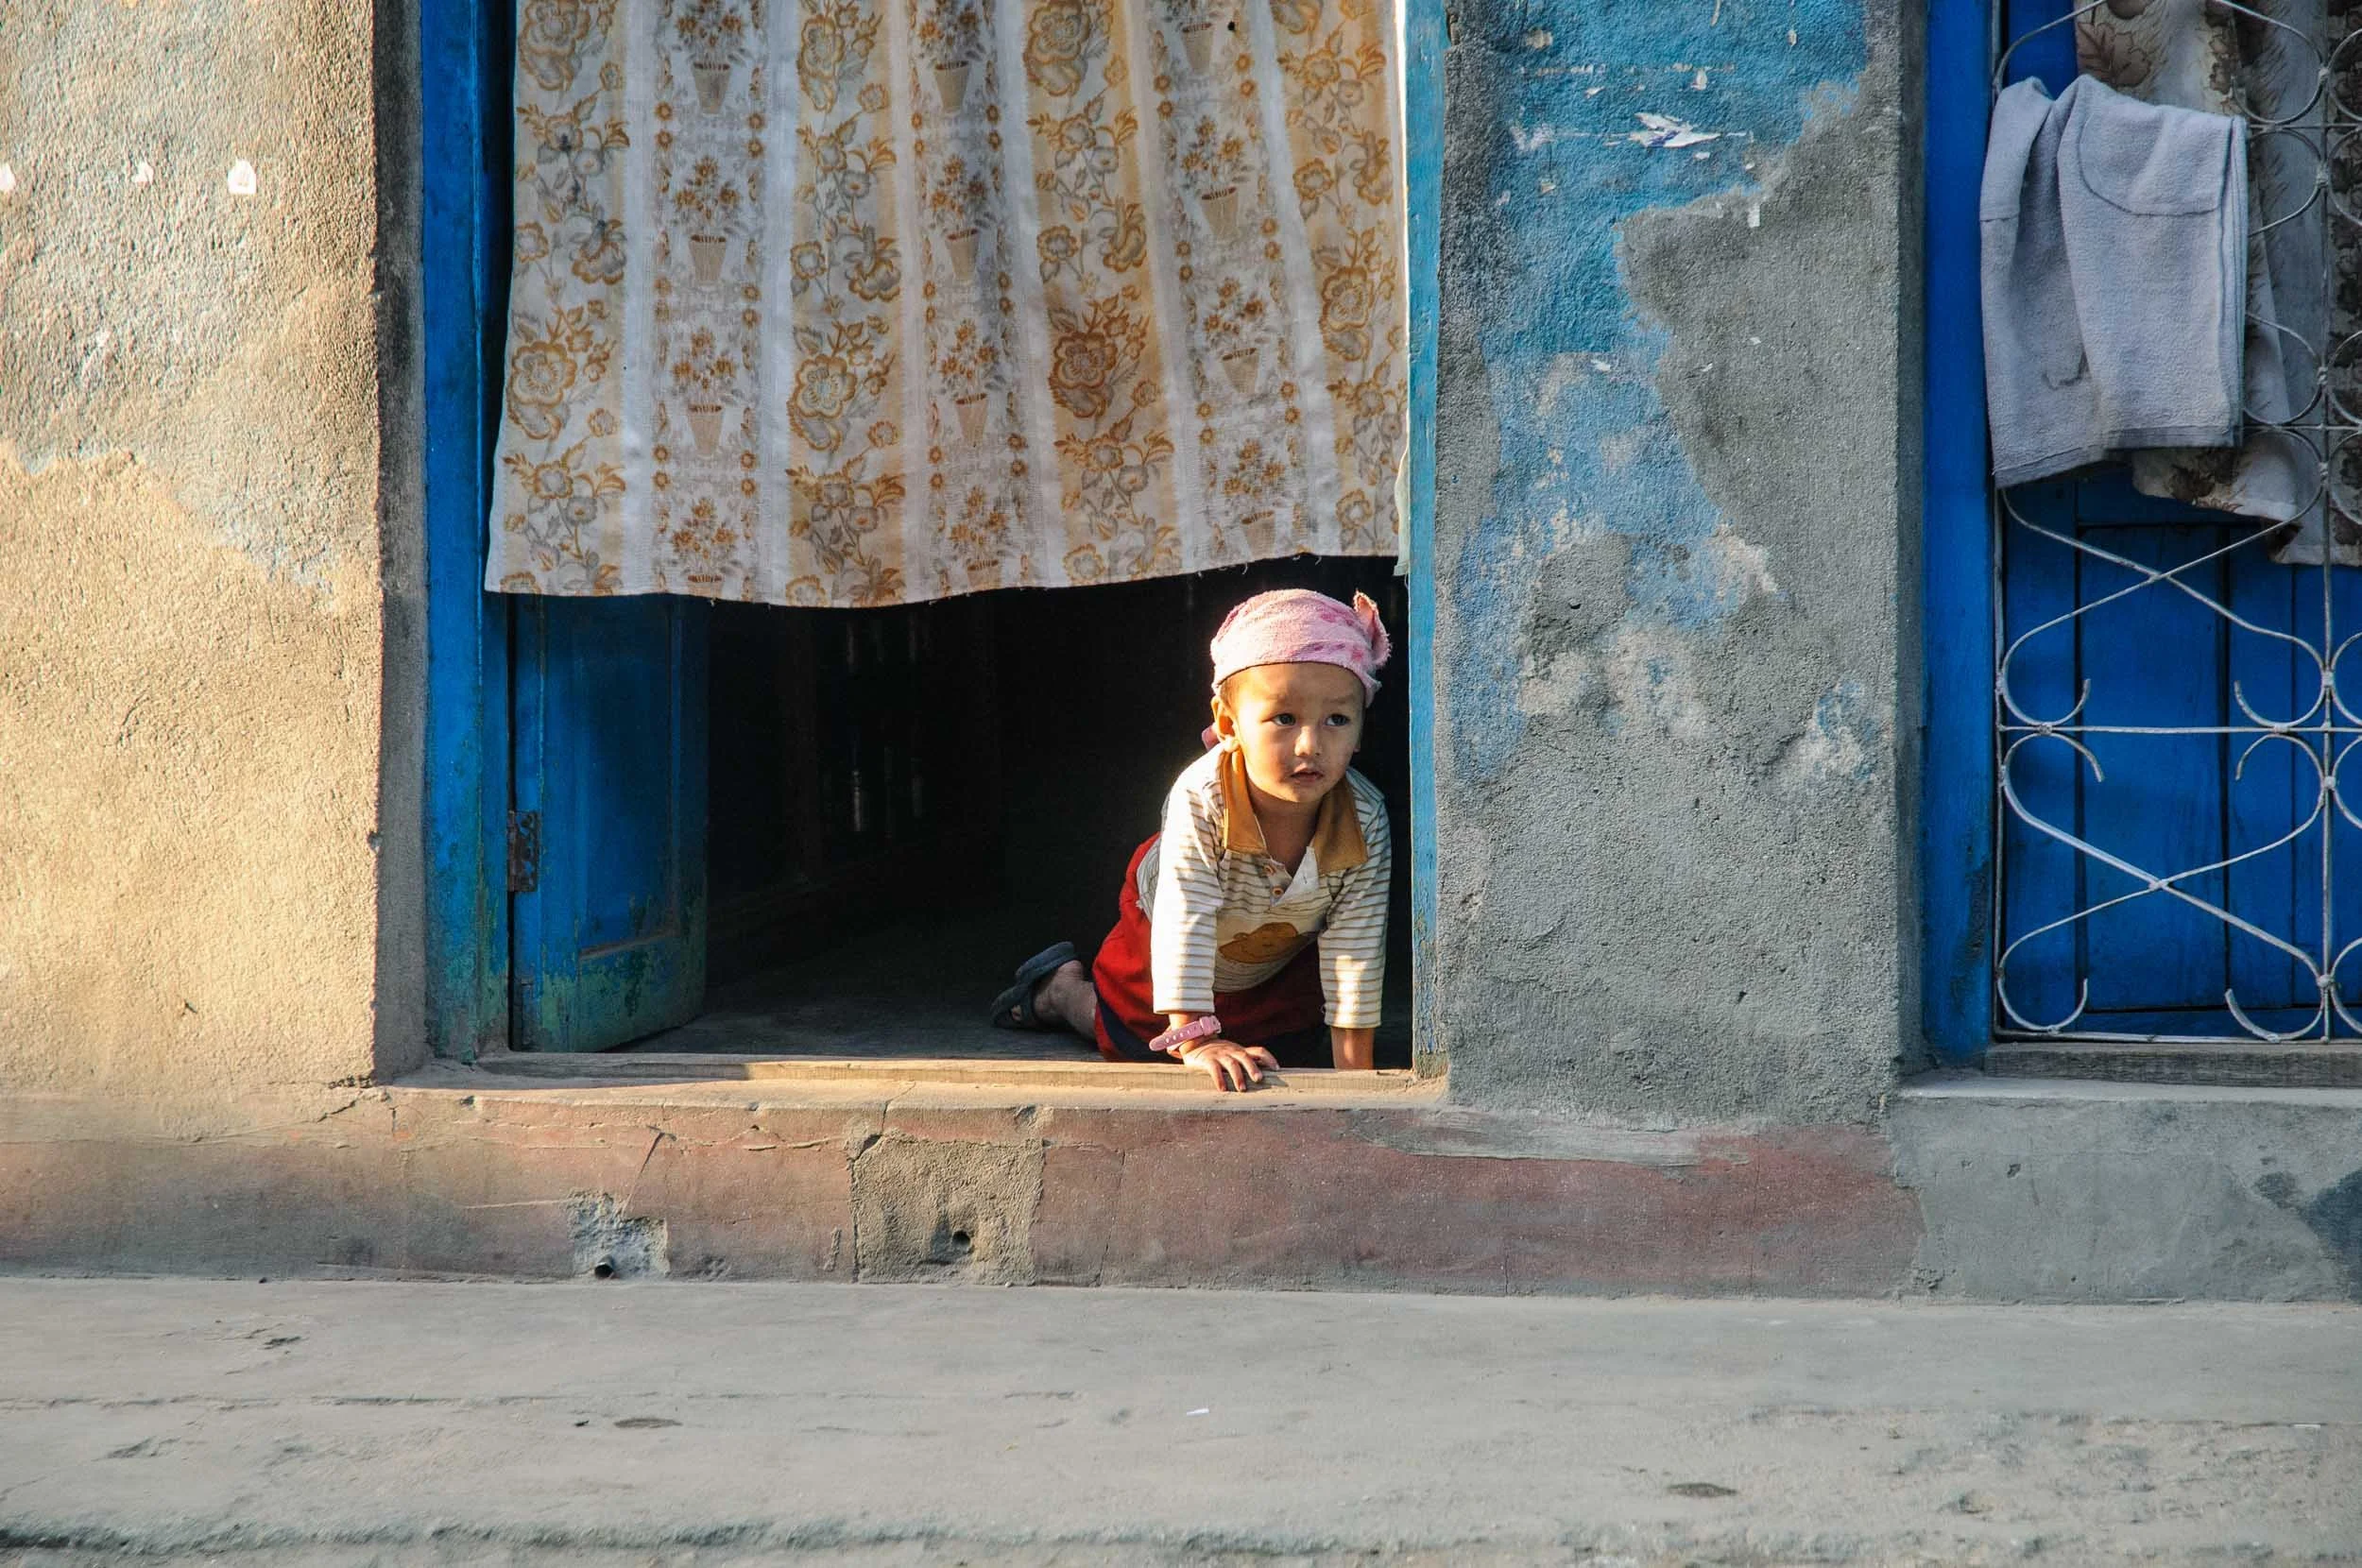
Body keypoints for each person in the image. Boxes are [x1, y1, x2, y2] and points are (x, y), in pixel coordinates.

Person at [990, 588, 1393, 1090]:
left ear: (1360, 733)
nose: (1310, 745)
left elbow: (1356, 945)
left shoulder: (1366, 817)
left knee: (1283, 1044)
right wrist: (1195, 1038)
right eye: (1283, 719)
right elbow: (1187, 919)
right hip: (1169, 925)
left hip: (1272, 949)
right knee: (1134, 1036)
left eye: (1337, 719)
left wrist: (1358, 1084)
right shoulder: (1203, 798)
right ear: (1229, 724)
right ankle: (1061, 991)